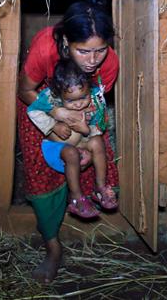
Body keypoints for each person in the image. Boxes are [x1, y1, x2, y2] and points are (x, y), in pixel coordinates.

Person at [17, 0, 119, 283]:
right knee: (41, 176)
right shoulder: (45, 47)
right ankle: (52, 247)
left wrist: (88, 130)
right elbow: (25, 90)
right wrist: (57, 116)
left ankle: (93, 196)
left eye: (99, 50)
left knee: (93, 156)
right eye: (83, 51)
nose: (92, 60)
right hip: (41, 108)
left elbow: (97, 104)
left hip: (83, 115)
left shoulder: (108, 63)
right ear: (66, 43)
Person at [27, 59, 118, 219]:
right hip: (57, 149)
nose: (78, 104)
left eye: (83, 97)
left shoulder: (95, 101)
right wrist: (53, 125)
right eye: (70, 101)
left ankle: (100, 187)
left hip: (82, 142)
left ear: (89, 89)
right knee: (71, 153)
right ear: (58, 94)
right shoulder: (50, 98)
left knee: (97, 141)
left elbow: (99, 127)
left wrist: (85, 129)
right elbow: (33, 110)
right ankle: (76, 197)